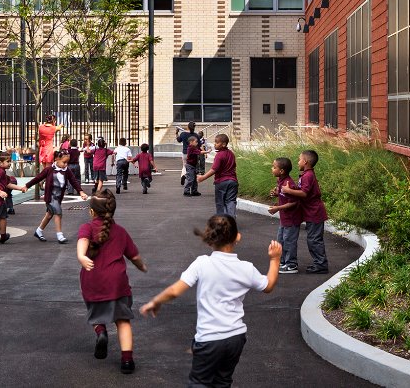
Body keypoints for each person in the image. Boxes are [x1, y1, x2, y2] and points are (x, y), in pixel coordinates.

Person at [139, 215, 282, 388]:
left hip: (209, 339)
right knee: (222, 382)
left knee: (200, 383)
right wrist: (274, 259)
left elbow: (175, 291)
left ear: (209, 240)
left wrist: (156, 301)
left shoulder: (202, 264)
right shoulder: (246, 268)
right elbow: (268, 285)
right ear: (237, 236)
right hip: (235, 338)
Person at [76, 189, 147, 374]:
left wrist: (81, 256)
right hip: (117, 283)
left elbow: (82, 240)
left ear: (92, 211)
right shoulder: (120, 232)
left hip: (93, 281)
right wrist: (142, 266)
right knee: (123, 321)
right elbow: (134, 256)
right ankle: (127, 360)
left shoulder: (87, 227)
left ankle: (100, 331)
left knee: (95, 313)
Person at [25, 151, 88, 244]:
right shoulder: (49, 169)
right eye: (64, 162)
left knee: (49, 215)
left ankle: (39, 231)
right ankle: (59, 235)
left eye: (67, 162)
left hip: (58, 197)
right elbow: (38, 178)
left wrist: (81, 191)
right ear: (56, 159)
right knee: (58, 213)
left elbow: (73, 181)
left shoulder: (66, 170)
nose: (66, 165)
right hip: (50, 197)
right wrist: (27, 185)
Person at [284, 150, 330, 274]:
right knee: (312, 239)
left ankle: (321, 265)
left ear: (305, 162)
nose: (298, 162)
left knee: (314, 240)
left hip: (315, 212)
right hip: (311, 212)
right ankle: (319, 263)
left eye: (299, 159)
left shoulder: (308, 175)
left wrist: (288, 191)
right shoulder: (306, 175)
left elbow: (304, 193)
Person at [267, 157, 305, 274]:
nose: (272, 169)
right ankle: (284, 262)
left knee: (289, 242)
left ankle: (292, 265)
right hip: (285, 219)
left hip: (292, 219)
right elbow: (284, 195)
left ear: (282, 171)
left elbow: (294, 202)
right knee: (281, 241)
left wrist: (277, 208)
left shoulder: (289, 184)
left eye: (274, 167)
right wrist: (277, 193)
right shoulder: (280, 181)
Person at [196, 134, 238, 217]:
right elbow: (234, 167)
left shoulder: (219, 155)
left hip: (221, 182)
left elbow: (214, 169)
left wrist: (203, 177)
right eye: (215, 142)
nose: (214, 144)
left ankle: (222, 220)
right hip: (233, 181)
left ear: (224, 144)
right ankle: (231, 219)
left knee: (220, 202)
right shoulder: (231, 154)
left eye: (217, 142)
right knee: (231, 201)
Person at [175, 122, 198, 186]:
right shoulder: (196, 135)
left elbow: (179, 140)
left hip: (185, 152)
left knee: (184, 166)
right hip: (193, 153)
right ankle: (189, 178)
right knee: (192, 167)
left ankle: (183, 175)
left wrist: (176, 133)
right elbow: (199, 144)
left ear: (188, 127)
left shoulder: (183, 134)